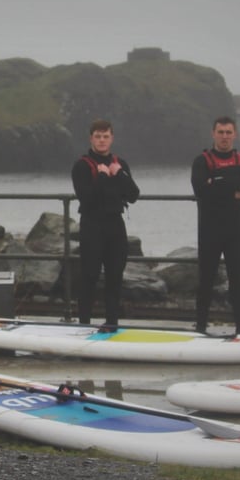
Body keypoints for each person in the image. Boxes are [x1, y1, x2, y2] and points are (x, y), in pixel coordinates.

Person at [190, 116, 240, 335]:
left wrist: (216, 182)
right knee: (206, 277)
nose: (225, 137)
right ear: (213, 134)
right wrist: (232, 188)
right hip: (209, 229)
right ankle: (201, 325)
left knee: (236, 278)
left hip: (236, 229)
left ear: (235, 134)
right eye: (221, 132)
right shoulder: (202, 160)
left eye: (229, 132)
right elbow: (200, 189)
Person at [71, 118, 139, 326]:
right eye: (98, 137)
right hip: (92, 225)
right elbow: (87, 198)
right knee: (90, 275)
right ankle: (84, 324)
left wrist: (119, 176)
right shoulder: (82, 166)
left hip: (115, 225)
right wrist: (101, 178)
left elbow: (133, 194)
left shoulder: (120, 164)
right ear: (91, 138)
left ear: (112, 138)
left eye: (106, 137)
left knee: (115, 276)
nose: (102, 141)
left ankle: (112, 323)